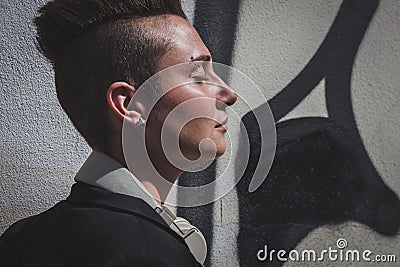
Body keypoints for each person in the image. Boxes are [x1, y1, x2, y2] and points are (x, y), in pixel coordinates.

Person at [0, 0, 237, 266]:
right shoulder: (147, 254)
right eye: (199, 74)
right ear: (129, 104)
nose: (229, 94)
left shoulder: (19, 239)